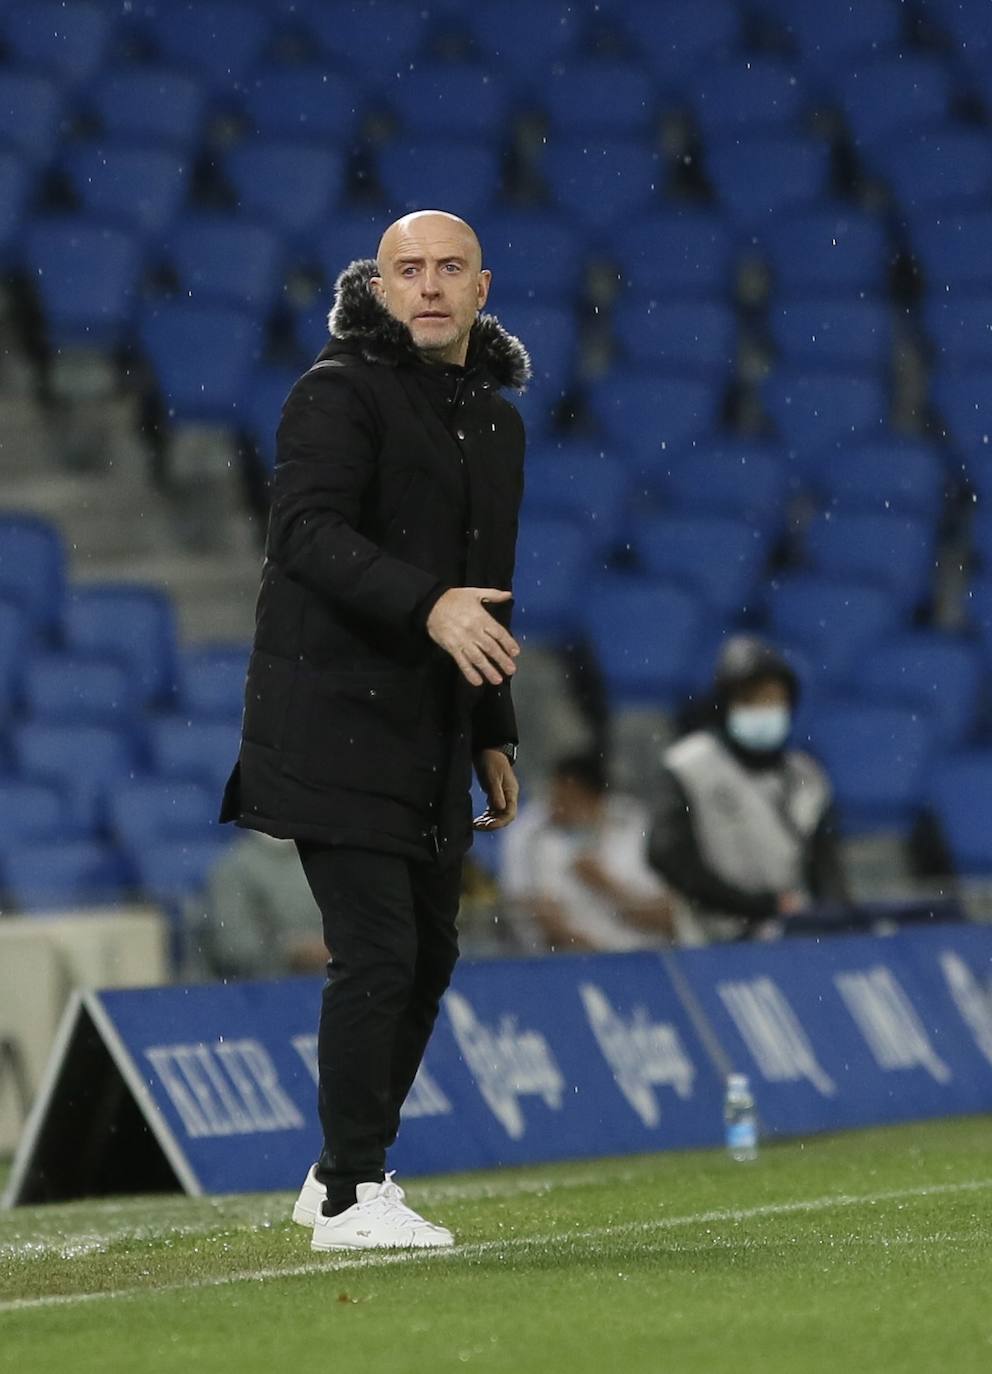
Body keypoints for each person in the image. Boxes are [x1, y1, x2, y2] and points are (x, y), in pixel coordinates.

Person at [221, 210, 530, 1250]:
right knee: (379, 953)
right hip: (330, 713)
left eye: (449, 268)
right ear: (379, 286)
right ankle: (355, 1192)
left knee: (429, 954)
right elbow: (303, 533)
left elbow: (485, 585)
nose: (430, 285)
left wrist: (491, 723)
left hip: (429, 726)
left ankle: (331, 1174)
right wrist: (426, 605)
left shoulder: (495, 421)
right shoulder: (336, 394)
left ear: (482, 288)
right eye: (409, 269)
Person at [648, 636, 848, 945]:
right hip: (712, 944)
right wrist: (757, 907)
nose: (763, 710)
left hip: (791, 939)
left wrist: (837, 926)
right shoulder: (690, 766)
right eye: (750, 700)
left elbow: (826, 871)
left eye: (773, 700)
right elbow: (666, 854)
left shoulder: (808, 777)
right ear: (726, 703)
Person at [502, 753, 675, 952]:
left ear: (589, 796)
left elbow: (668, 917)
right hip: (577, 963)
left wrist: (604, 884)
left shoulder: (637, 828)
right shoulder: (540, 838)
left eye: (563, 798)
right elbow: (541, 918)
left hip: (647, 959)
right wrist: (596, 956)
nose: (553, 807)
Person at [183, 832, 325, 982]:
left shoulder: (331, 859)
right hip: (264, 989)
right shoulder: (234, 868)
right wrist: (290, 953)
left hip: (331, 986)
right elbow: (233, 947)